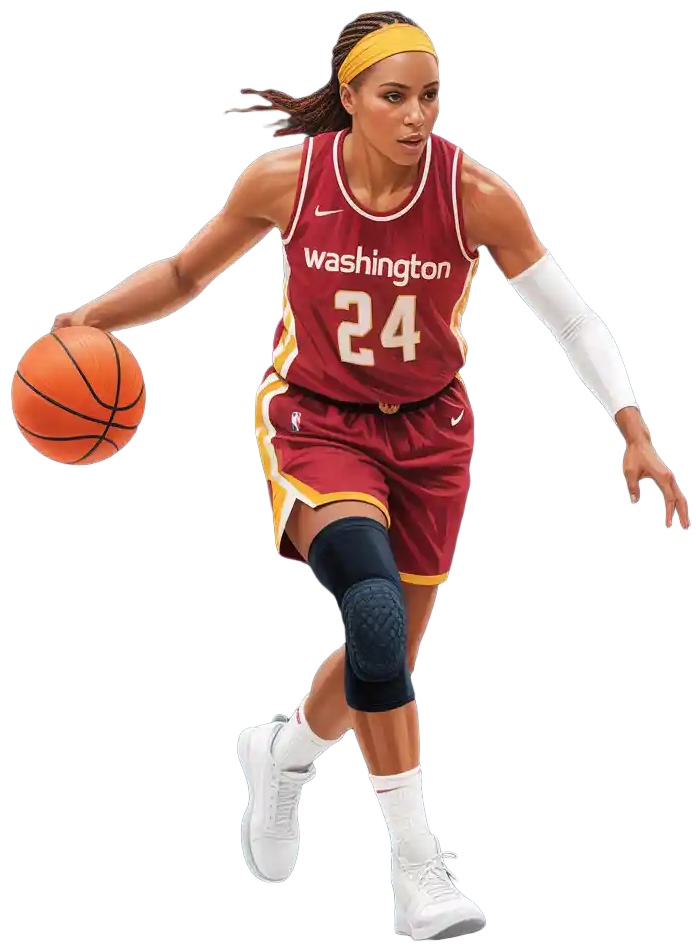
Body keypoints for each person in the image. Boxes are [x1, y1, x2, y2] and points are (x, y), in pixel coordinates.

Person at [52, 9, 690, 941]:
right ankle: (417, 868)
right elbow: (186, 274)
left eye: (431, 95)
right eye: (395, 96)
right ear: (349, 98)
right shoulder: (286, 180)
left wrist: (634, 429)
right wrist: (90, 318)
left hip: (431, 435)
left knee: (383, 658)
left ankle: (283, 751)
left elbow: (573, 318)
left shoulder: (476, 196)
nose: (417, 114)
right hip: (317, 421)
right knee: (375, 611)